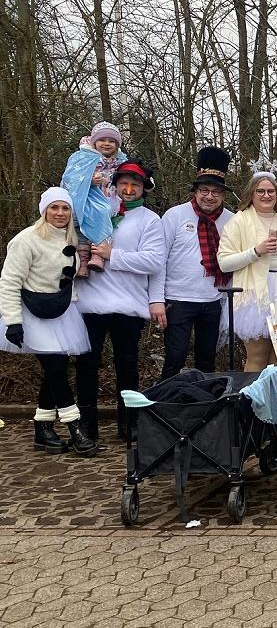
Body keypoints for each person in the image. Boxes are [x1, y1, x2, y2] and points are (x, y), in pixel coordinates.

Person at [74, 158, 167, 445]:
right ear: (114, 185)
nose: (128, 189)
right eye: (123, 183)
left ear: (143, 189)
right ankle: (86, 424)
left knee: (127, 364)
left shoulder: (150, 220)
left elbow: (154, 261)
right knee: (86, 364)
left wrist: (112, 255)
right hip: (90, 302)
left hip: (128, 304)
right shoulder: (95, 209)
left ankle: (129, 422)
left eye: (134, 185)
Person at [1, 187, 97, 456]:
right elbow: (9, 281)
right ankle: (75, 427)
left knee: (57, 369)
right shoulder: (26, 240)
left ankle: (42, 428)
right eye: (54, 207)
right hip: (31, 313)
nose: (60, 213)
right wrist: (13, 321)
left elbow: (65, 280)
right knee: (55, 368)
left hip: (60, 311)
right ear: (44, 210)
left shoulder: (69, 238)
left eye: (65, 208)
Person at [159, 146, 234, 380]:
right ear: (195, 191)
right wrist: (157, 299)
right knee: (175, 357)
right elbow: (159, 260)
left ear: (223, 194)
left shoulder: (231, 220)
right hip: (178, 298)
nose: (209, 196)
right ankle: (168, 400)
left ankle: (203, 401)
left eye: (216, 191)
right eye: (204, 190)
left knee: (206, 361)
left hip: (213, 299)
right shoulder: (175, 216)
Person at [218, 168, 277, 372]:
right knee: (258, 355)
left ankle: (274, 393)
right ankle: (250, 393)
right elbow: (224, 262)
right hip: (255, 292)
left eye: (270, 191)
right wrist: (256, 251)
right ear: (251, 194)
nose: (266, 195)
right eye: (260, 191)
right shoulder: (240, 220)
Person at [60, 121, 126, 277]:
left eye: (111, 141)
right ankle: (82, 261)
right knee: (81, 225)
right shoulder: (82, 157)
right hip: (85, 200)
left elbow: (132, 174)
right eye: (102, 140)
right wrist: (88, 180)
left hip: (108, 199)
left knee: (103, 217)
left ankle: (98, 255)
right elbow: (69, 178)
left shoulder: (120, 162)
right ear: (94, 141)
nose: (107, 144)